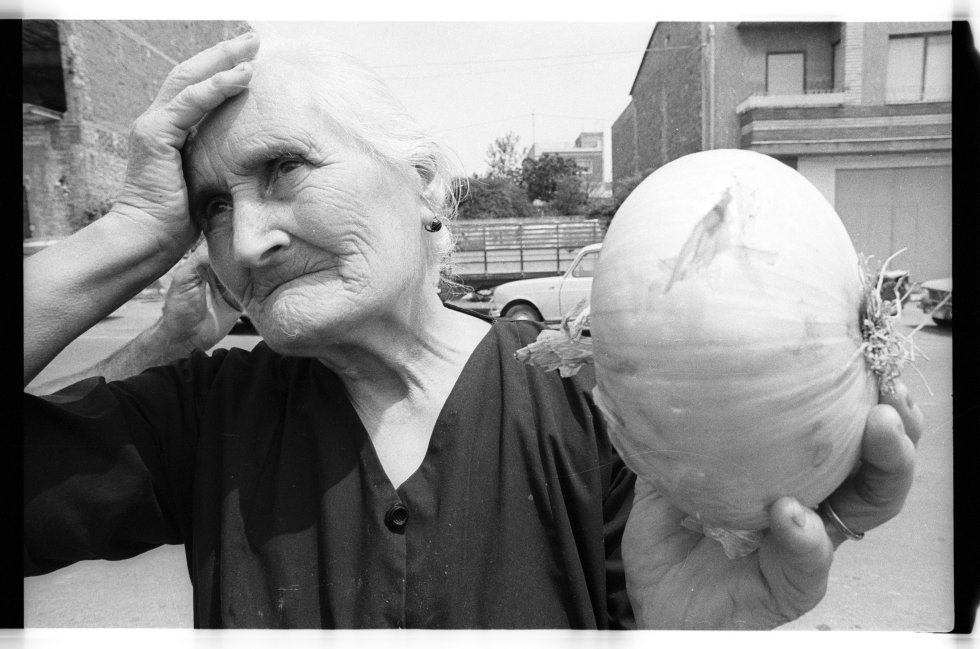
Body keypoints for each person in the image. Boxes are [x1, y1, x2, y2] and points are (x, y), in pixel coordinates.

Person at [23, 32, 922, 630]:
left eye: (284, 168)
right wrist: (127, 234)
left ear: (424, 186)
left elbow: (657, 601)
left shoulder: (597, 410)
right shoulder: (202, 415)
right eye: (213, 205)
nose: (247, 239)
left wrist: (673, 633)